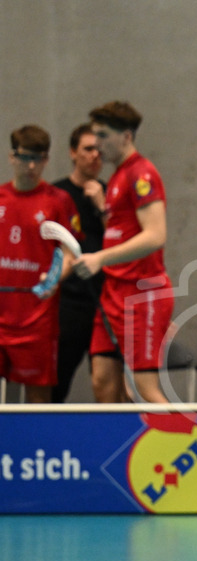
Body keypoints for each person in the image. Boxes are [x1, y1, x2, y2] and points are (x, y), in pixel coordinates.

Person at [72, 101, 173, 403]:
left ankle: (191, 444)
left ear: (126, 137)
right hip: (113, 293)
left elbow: (156, 235)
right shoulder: (116, 177)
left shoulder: (142, 174)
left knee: (146, 390)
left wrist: (99, 258)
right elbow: (121, 231)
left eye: (103, 136)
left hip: (142, 294)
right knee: (103, 381)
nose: (97, 145)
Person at [0, 125, 81, 403]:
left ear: (46, 159)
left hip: (38, 320)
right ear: (12, 157)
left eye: (39, 158)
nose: (31, 165)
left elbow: (70, 253)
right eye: (24, 157)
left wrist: (56, 276)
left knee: (37, 404)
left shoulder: (58, 201)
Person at [52, 123, 107, 403]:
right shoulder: (55, 195)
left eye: (99, 150)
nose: (95, 155)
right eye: (88, 149)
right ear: (73, 153)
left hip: (106, 303)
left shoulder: (112, 195)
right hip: (68, 304)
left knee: (106, 384)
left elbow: (124, 244)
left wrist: (102, 206)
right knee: (55, 384)